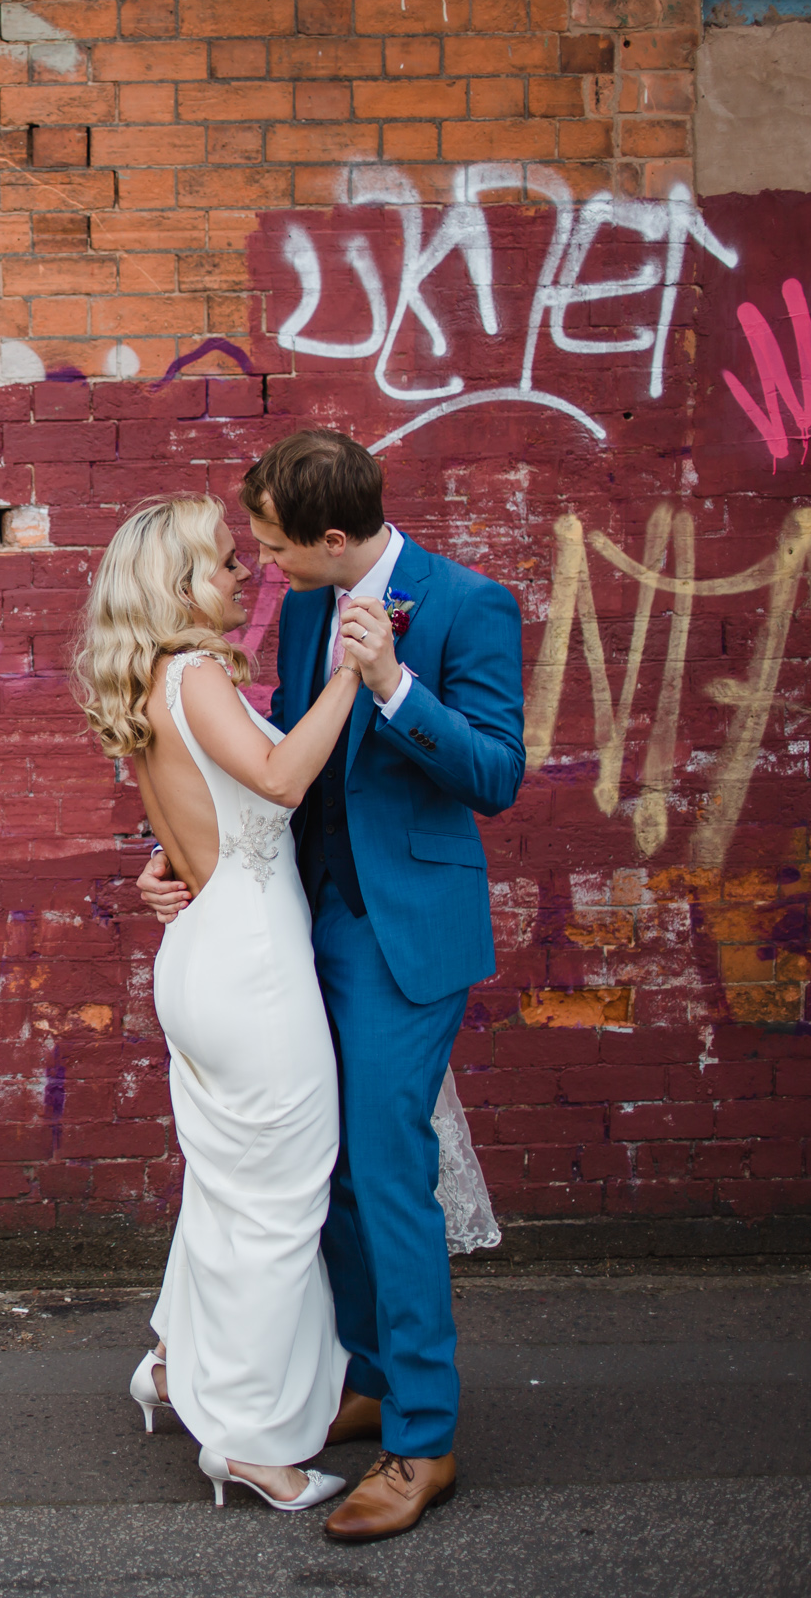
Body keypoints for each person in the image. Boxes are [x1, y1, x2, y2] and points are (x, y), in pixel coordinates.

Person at [137, 430, 526, 1542]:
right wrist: (179, 852)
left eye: (273, 545)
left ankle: (424, 1440)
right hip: (304, 923)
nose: (261, 565)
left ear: (336, 540)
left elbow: (496, 773)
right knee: (334, 1170)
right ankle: (367, 1370)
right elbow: (265, 760)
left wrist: (395, 684)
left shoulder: (466, 604)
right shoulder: (309, 603)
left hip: (406, 937)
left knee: (387, 1171)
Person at [71, 492, 380, 1515]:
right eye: (218, 565)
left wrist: (167, 865)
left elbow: (206, 811)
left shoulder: (153, 683)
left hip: (204, 955)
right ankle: (249, 1438)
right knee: (281, 1203)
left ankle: (172, 1361)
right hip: (251, 968)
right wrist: (353, 670)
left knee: (227, 1185)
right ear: (174, 588)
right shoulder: (195, 675)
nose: (241, 575)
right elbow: (282, 781)